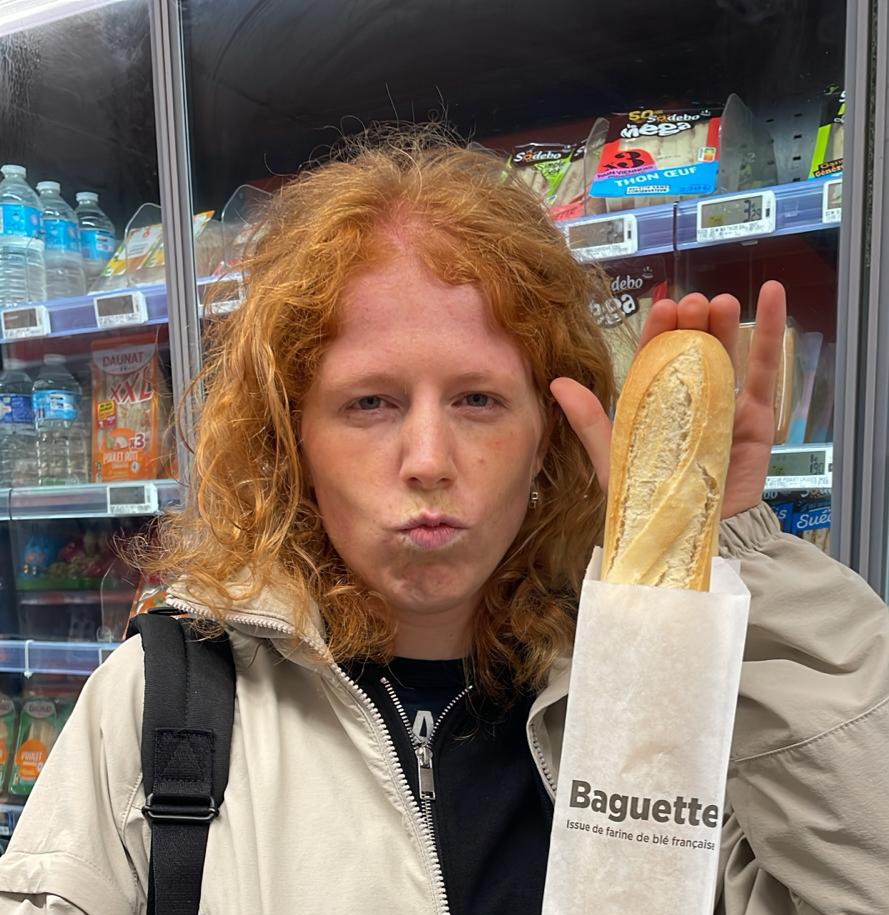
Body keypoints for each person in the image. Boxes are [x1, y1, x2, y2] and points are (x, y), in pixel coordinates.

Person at [0, 132, 887, 915]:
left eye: (477, 399)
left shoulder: (662, 699)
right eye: (370, 402)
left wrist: (720, 548)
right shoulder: (155, 705)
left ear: (545, 437)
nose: (428, 458)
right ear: (291, 440)